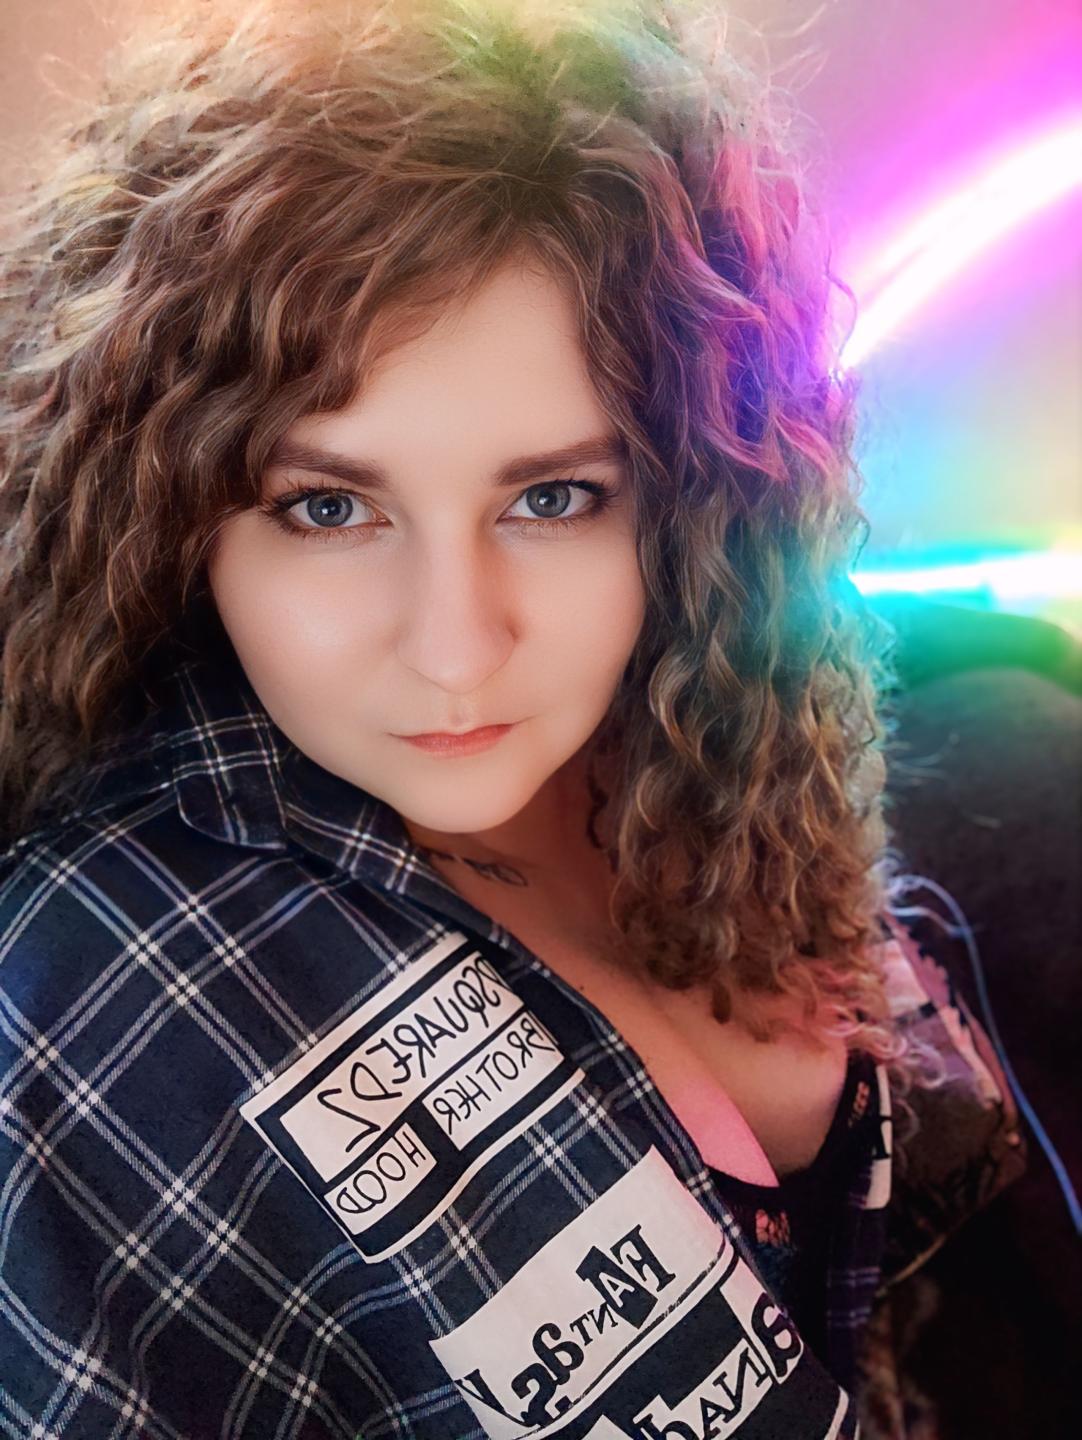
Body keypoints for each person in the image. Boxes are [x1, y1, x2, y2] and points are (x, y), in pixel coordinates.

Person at [0, 1, 1026, 1435]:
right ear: (164, 508)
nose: (456, 650)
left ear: (692, 502)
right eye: (328, 508)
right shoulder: (85, 1006)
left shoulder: (712, 730)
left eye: (552, 498)